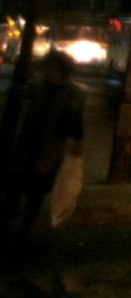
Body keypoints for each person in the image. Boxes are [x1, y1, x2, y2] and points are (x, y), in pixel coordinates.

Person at [1, 50, 85, 250]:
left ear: (59, 70)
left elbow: (77, 126)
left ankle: (25, 232)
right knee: (14, 192)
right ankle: (6, 230)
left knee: (35, 196)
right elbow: (13, 98)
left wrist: (77, 149)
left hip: (48, 153)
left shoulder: (74, 94)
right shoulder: (36, 87)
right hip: (25, 148)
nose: (47, 71)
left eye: (50, 68)